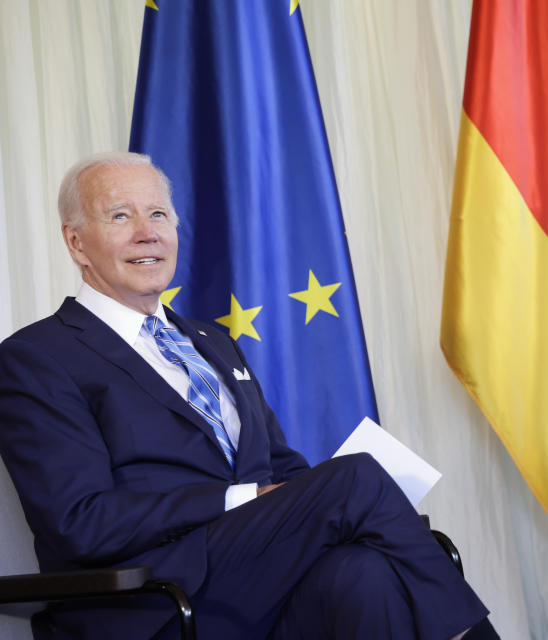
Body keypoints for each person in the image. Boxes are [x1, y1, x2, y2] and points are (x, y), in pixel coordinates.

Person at [0, 152, 498, 640]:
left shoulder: (213, 342)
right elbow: (79, 522)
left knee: (361, 572)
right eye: (120, 216)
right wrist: (243, 499)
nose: (147, 232)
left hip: (257, 579)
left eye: (157, 214)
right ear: (77, 242)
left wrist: (301, 500)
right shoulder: (38, 356)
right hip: (152, 599)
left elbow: (283, 469)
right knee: (356, 479)